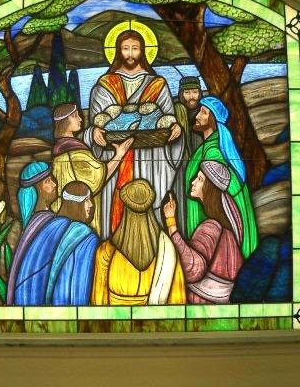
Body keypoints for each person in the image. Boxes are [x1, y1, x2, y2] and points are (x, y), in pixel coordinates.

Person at [84, 30, 184, 239]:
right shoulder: (104, 84)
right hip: (115, 158)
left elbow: (168, 118)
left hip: (151, 160)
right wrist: (94, 132)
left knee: (149, 204)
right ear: (117, 51)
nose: (130, 54)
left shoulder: (158, 84)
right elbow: (95, 124)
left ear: (143, 51)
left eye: (135, 48)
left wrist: (176, 129)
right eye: (125, 48)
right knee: (116, 209)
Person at [7, 162, 99, 306]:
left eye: (52, 179)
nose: (55, 184)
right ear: (36, 190)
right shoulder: (49, 222)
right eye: (47, 181)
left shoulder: (37, 221)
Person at [91, 178, 186, 306]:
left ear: (125, 211)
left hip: (116, 318)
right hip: (153, 319)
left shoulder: (106, 251)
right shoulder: (167, 251)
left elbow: (99, 302)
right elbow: (177, 301)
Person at [185, 96, 258, 260]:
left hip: (211, 227)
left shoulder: (213, 151)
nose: (197, 116)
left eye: (203, 112)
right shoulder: (207, 146)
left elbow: (216, 196)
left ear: (212, 120)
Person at [164, 161, 244, 304]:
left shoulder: (211, 227)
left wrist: (171, 222)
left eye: (200, 179)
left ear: (210, 188)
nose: (193, 182)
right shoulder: (227, 229)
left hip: (202, 303)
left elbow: (193, 269)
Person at [51, 103, 133, 236]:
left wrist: (93, 131)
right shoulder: (75, 153)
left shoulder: (60, 149)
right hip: (81, 211)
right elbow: (99, 178)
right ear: (65, 121)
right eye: (75, 116)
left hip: (65, 210)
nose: (80, 119)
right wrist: (119, 155)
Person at [173, 76, 204, 229]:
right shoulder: (174, 112)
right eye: (187, 92)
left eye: (194, 92)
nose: (191, 96)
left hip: (203, 164)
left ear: (200, 93)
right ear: (181, 94)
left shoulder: (205, 112)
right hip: (181, 166)